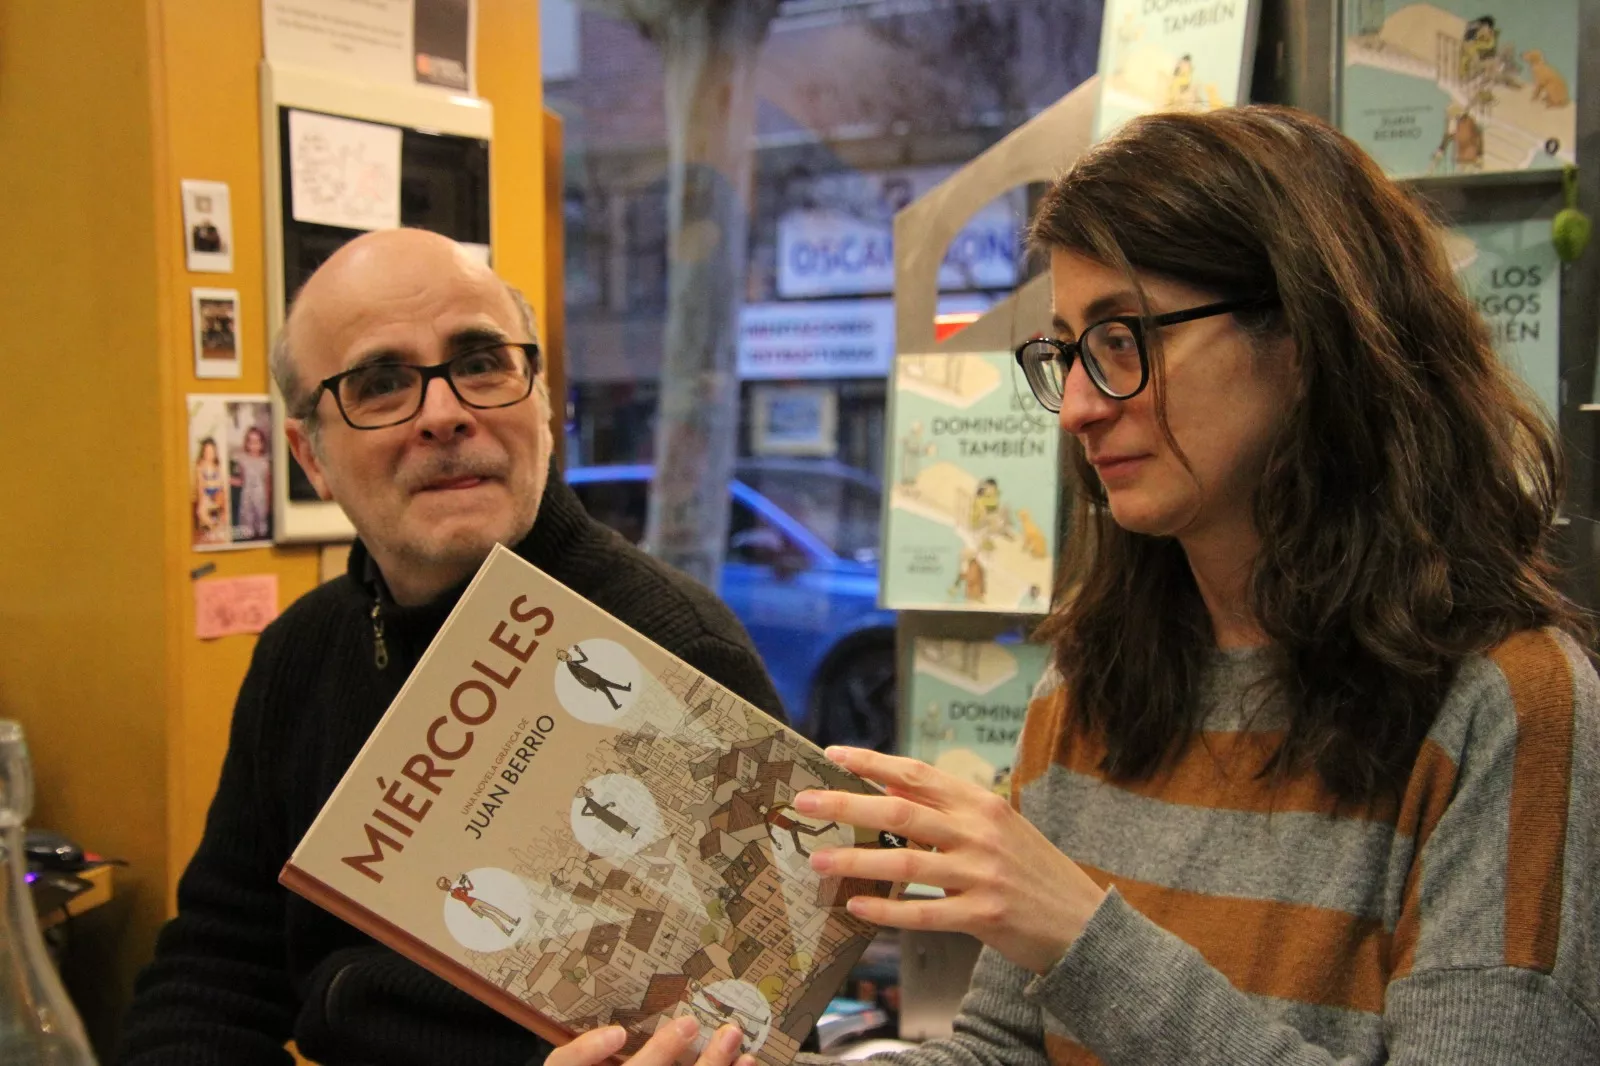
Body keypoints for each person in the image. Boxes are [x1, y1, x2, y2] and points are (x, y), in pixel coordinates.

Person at [550, 105, 1600, 1066]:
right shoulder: (1092, 689)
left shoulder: (1508, 704)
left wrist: (1081, 934)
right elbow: (1001, 1052)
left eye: (1122, 339)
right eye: (1066, 354)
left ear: (1306, 329)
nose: (1077, 411)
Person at [117, 228, 784, 1066]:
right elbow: (214, 976)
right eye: (383, 382)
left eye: (480, 362)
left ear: (540, 400)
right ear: (309, 457)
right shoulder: (300, 651)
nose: (445, 412)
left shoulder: (678, 653)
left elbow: (759, 1020)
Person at [231, 424, 271, 541]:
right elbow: (242, 481)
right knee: (247, 529)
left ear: (262, 443)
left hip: (261, 499)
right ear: (247, 443)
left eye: (257, 442)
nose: (254, 445)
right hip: (247, 498)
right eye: (251, 442)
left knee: (261, 528)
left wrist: (268, 503)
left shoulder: (265, 462)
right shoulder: (243, 460)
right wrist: (228, 480)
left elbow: (268, 484)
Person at [192, 436, 226, 542]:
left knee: (222, 505)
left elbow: (221, 484)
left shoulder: (217, 466)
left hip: (217, 493)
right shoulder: (200, 467)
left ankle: (217, 530)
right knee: (201, 511)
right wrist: (205, 499)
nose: (209, 454)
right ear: (203, 452)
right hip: (206, 494)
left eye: (211, 451)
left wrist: (219, 496)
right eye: (207, 451)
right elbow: (201, 486)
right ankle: (212, 528)